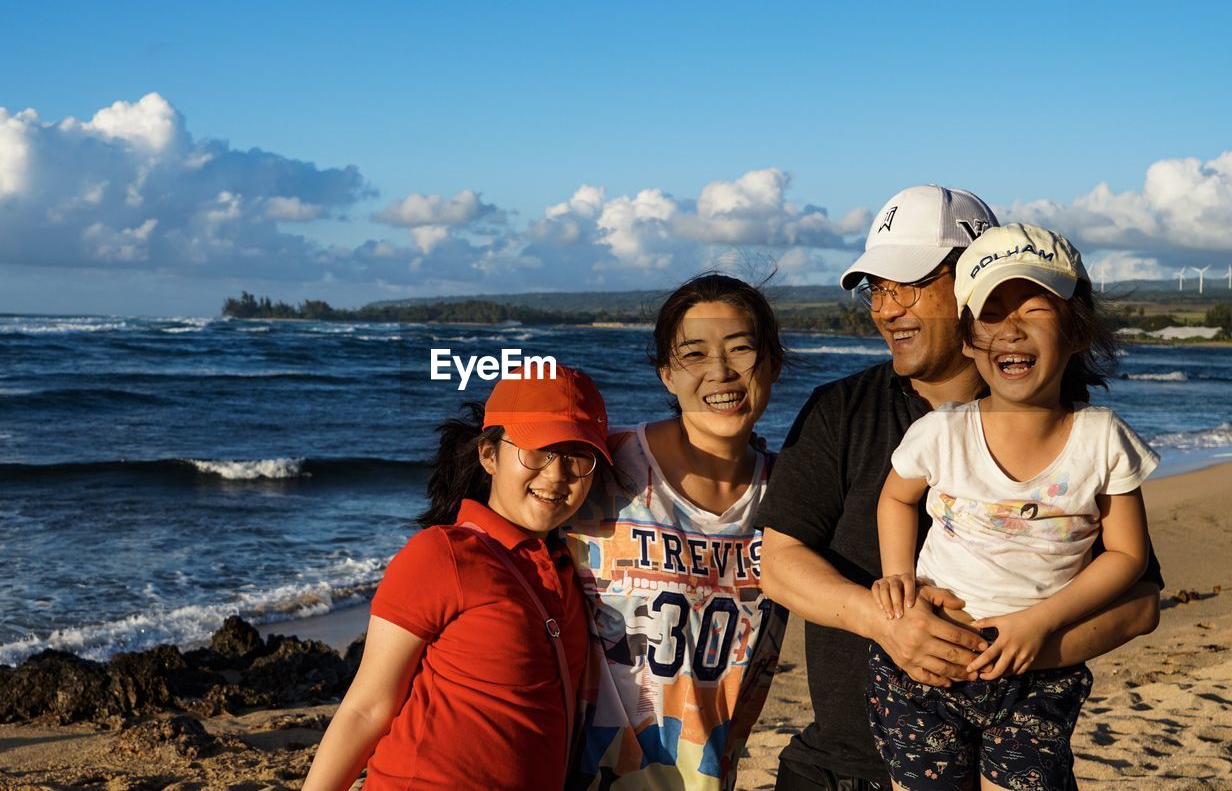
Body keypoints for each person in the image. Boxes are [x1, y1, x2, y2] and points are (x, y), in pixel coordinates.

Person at [758, 185, 1163, 790]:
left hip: (1010, 752)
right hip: (841, 770)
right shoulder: (840, 409)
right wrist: (886, 622)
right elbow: (779, 563)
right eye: (878, 289)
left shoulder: (1069, 432)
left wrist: (1003, 655)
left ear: (966, 283)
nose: (887, 308)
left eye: (909, 284)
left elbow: (1139, 604)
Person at [866, 223, 1156, 790]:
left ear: (1076, 332)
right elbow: (897, 498)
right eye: (991, 314)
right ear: (969, 338)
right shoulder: (942, 432)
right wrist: (898, 576)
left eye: (1035, 309)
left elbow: (1127, 555)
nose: (1012, 330)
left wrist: (1041, 622)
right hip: (927, 672)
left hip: (1038, 677)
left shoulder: (1101, 440)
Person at [303, 364, 614, 791]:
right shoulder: (442, 555)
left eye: (577, 456)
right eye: (536, 451)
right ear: (489, 454)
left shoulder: (572, 567)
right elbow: (367, 707)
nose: (557, 475)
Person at [563, 273, 789, 791]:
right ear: (667, 374)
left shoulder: (792, 494)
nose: (721, 372)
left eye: (741, 349)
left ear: (772, 363)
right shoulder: (610, 465)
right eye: (694, 355)